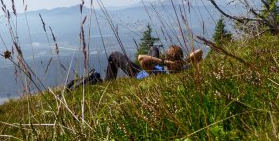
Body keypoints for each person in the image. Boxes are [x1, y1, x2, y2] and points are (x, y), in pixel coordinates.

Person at [67, 45, 203, 89]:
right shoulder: (183, 68)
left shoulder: (161, 71)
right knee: (154, 48)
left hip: (139, 74)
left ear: (167, 57)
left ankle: (108, 82)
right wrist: (183, 62)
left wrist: (164, 63)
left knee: (114, 55)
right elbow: (199, 52)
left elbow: (141, 59)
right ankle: (154, 48)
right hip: (150, 69)